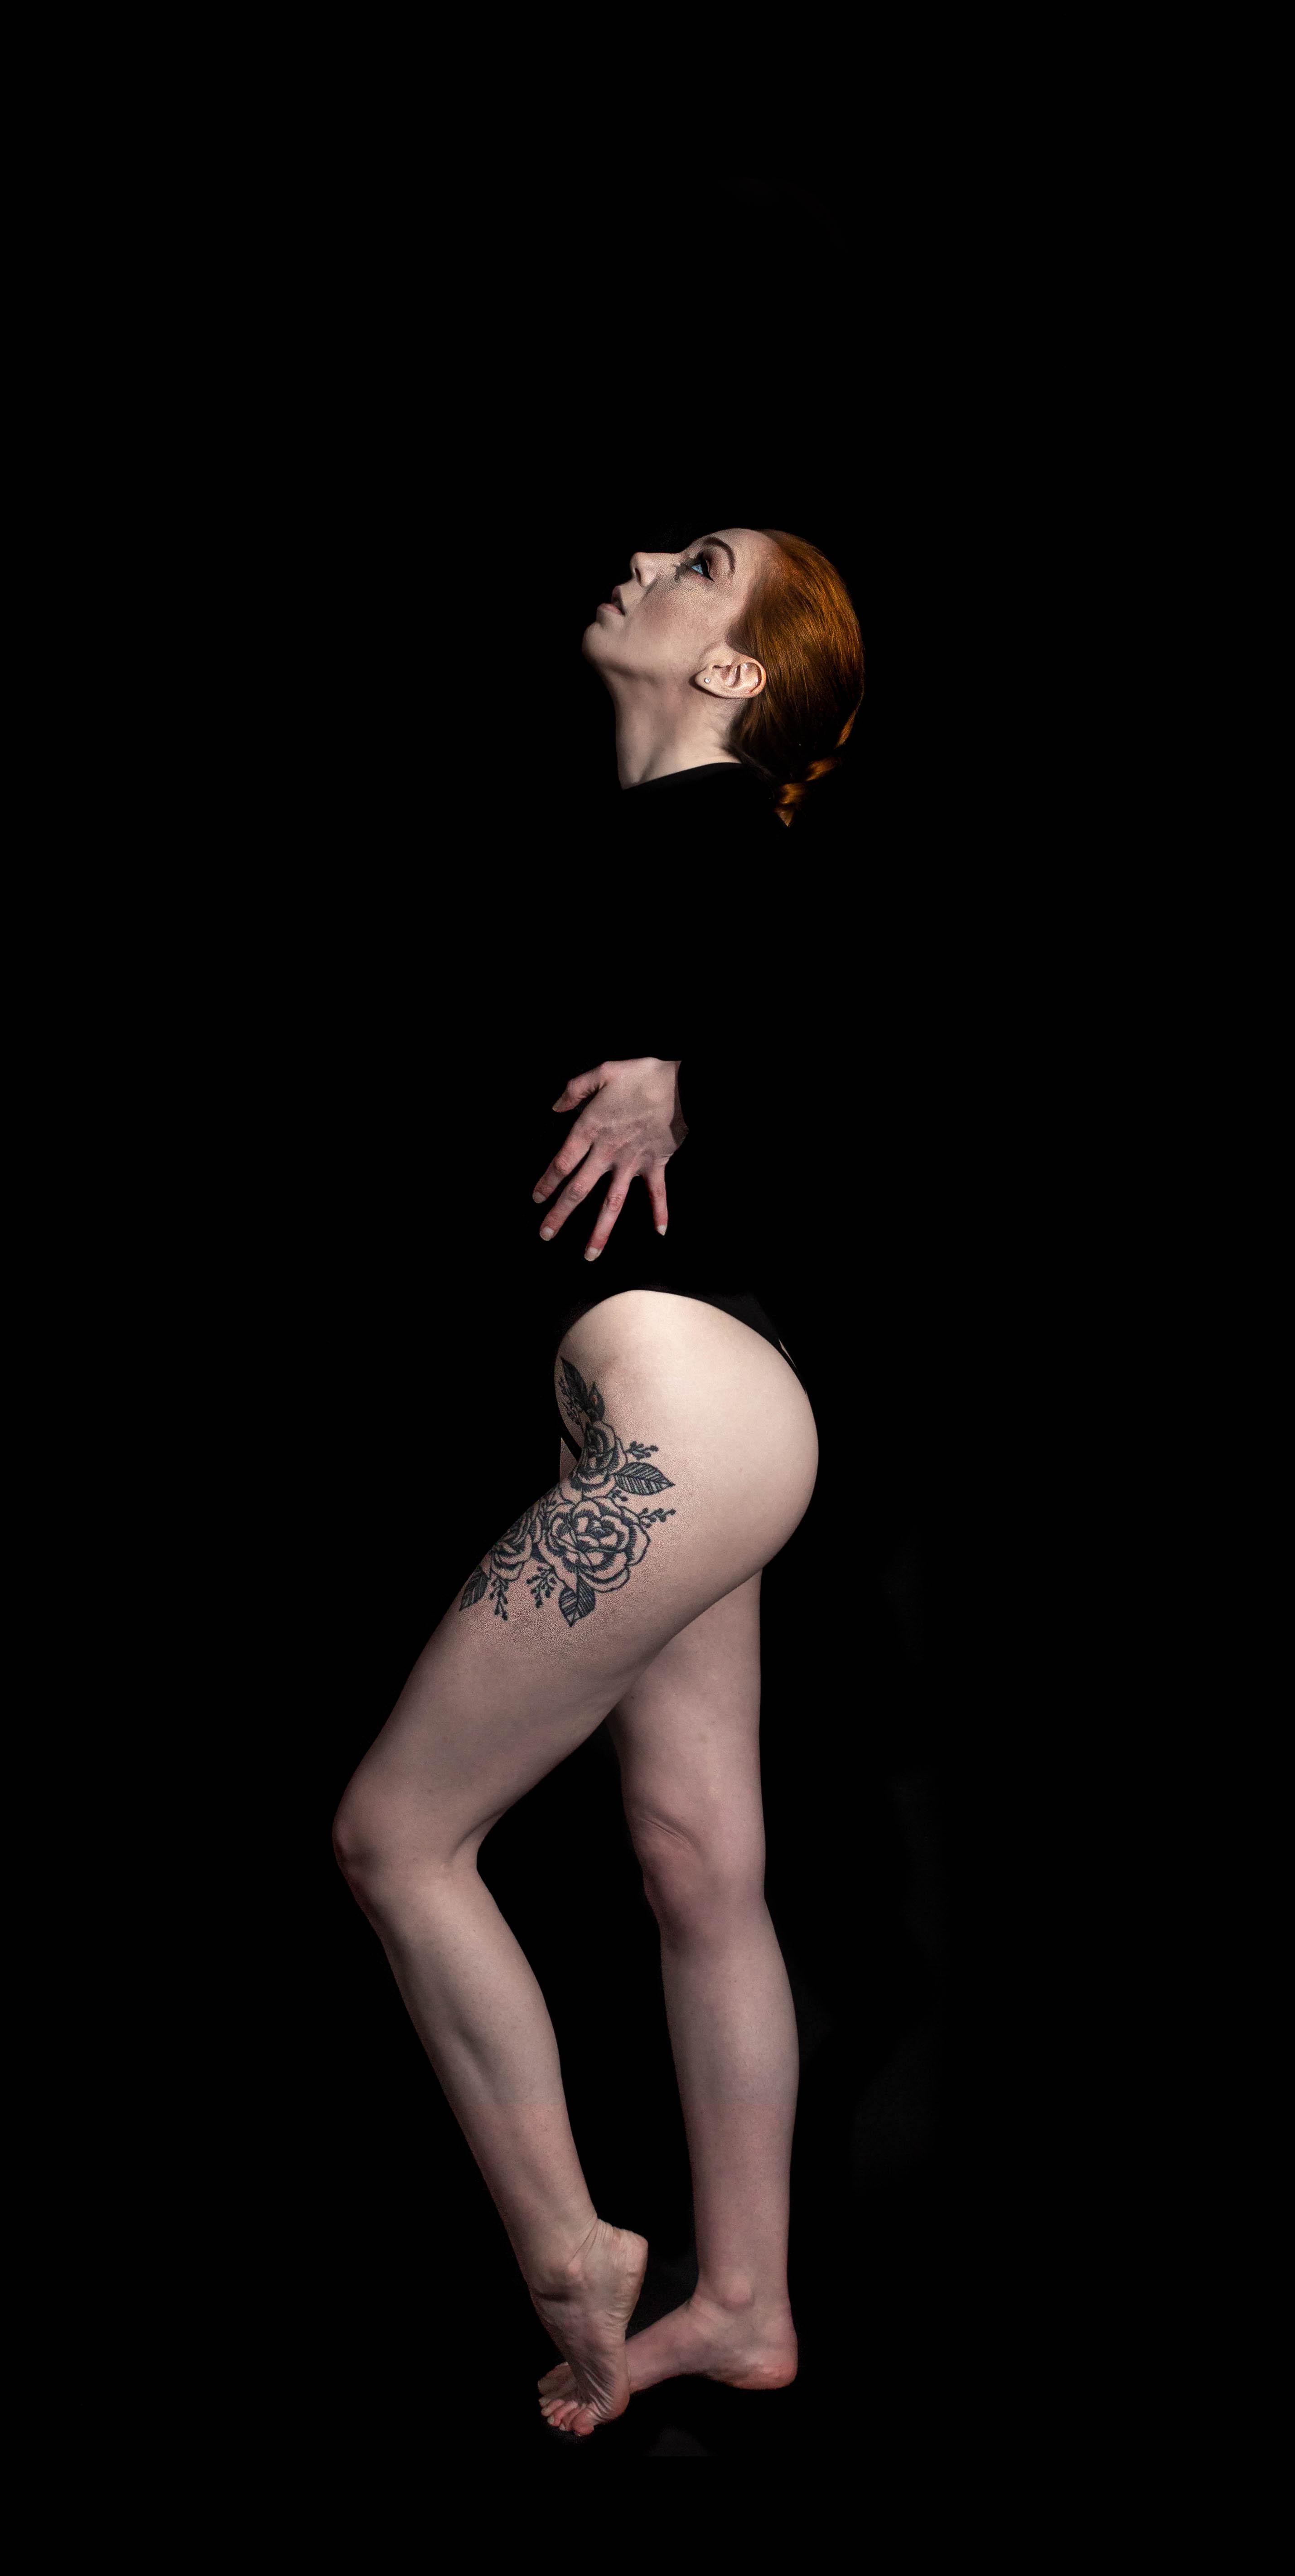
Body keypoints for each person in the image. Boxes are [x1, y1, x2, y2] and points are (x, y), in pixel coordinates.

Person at [332, 526, 865, 2438]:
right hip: (719, 1423)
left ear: (735, 669)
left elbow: (805, 979)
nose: (647, 557)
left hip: (689, 1424)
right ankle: (746, 2308)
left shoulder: (716, 848)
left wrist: (682, 1067)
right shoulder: (639, 855)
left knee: (398, 1837)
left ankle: (570, 2252)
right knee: (699, 1867)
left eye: (699, 562)